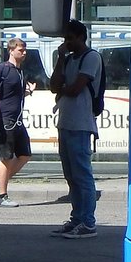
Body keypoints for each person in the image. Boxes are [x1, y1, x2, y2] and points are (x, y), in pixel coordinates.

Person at [49, 20, 101, 239]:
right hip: (65, 122)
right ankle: (77, 218)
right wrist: (61, 59)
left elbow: (76, 88)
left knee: (82, 175)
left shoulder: (91, 57)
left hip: (80, 123)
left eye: (71, 38)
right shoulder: (68, 59)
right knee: (71, 175)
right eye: (65, 39)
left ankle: (88, 222)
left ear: (81, 37)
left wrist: (63, 89)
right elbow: (54, 86)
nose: (67, 43)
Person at [0, 38, 35, 208]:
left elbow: (13, 94)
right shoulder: (2, 68)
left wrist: (28, 92)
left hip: (17, 120)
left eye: (25, 49)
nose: (24, 52)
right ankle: (2, 195)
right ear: (11, 50)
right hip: (5, 119)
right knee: (6, 157)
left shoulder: (19, 72)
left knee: (25, 154)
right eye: (21, 49)